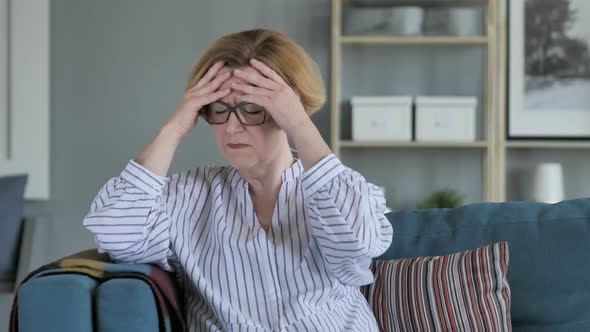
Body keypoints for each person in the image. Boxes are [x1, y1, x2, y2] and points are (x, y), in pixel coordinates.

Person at [83, 28, 393, 331]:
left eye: (252, 109)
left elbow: (357, 244)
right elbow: (116, 234)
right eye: (219, 109)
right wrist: (174, 127)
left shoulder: (339, 193)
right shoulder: (189, 196)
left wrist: (300, 123)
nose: (232, 127)